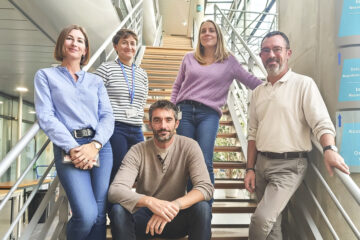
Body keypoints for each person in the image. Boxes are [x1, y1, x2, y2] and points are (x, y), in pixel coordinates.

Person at [244, 31, 350, 240]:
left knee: (261, 220)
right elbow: (252, 133)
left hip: (289, 167)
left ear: (288, 53)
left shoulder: (303, 84)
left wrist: (329, 149)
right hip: (261, 164)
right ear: (261, 55)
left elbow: (321, 122)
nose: (271, 54)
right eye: (266, 50)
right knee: (272, 226)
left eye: (277, 49)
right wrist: (250, 168)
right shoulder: (258, 92)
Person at [34, 24, 114, 240]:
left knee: (98, 215)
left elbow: (107, 116)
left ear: (86, 49)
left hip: (100, 148)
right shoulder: (45, 76)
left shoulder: (96, 81)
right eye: (70, 38)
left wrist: (94, 145)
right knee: (86, 215)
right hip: (69, 147)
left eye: (80, 40)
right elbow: (46, 116)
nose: (75, 43)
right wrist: (74, 148)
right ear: (62, 43)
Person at [171, 19, 262, 193]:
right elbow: (177, 85)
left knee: (204, 160)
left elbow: (250, 81)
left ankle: (204, 208)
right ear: (199, 37)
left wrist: (274, 87)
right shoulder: (189, 58)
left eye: (211, 30)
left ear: (218, 35)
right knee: (186, 160)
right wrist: (172, 109)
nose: (207, 34)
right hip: (185, 112)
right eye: (203, 31)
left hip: (209, 114)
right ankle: (188, 206)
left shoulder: (229, 61)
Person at [108, 100, 214, 240]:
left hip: (176, 217)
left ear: (176, 123)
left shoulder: (190, 146)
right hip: (146, 220)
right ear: (150, 124)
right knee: (118, 210)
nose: (163, 126)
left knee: (203, 208)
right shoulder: (137, 150)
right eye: (157, 120)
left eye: (168, 120)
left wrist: (174, 206)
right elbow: (115, 190)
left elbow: (206, 187)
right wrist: (151, 203)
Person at [94, 29, 148, 183]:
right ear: (115, 46)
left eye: (132, 43)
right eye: (124, 42)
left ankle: (129, 202)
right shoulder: (106, 69)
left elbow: (142, 100)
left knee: (140, 169)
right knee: (117, 169)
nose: (129, 47)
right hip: (115, 127)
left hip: (136, 127)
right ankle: (113, 206)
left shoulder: (142, 74)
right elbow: (93, 98)